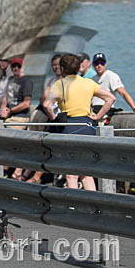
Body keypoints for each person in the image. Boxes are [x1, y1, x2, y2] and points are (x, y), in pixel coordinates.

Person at [42, 54, 116, 191]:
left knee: (71, 175)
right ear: (78, 67)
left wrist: (54, 119)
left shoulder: (60, 84)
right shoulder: (88, 82)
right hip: (88, 127)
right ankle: (94, 204)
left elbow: (46, 105)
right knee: (86, 174)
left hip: (69, 127)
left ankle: (74, 205)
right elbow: (110, 98)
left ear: (63, 69)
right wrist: (97, 116)